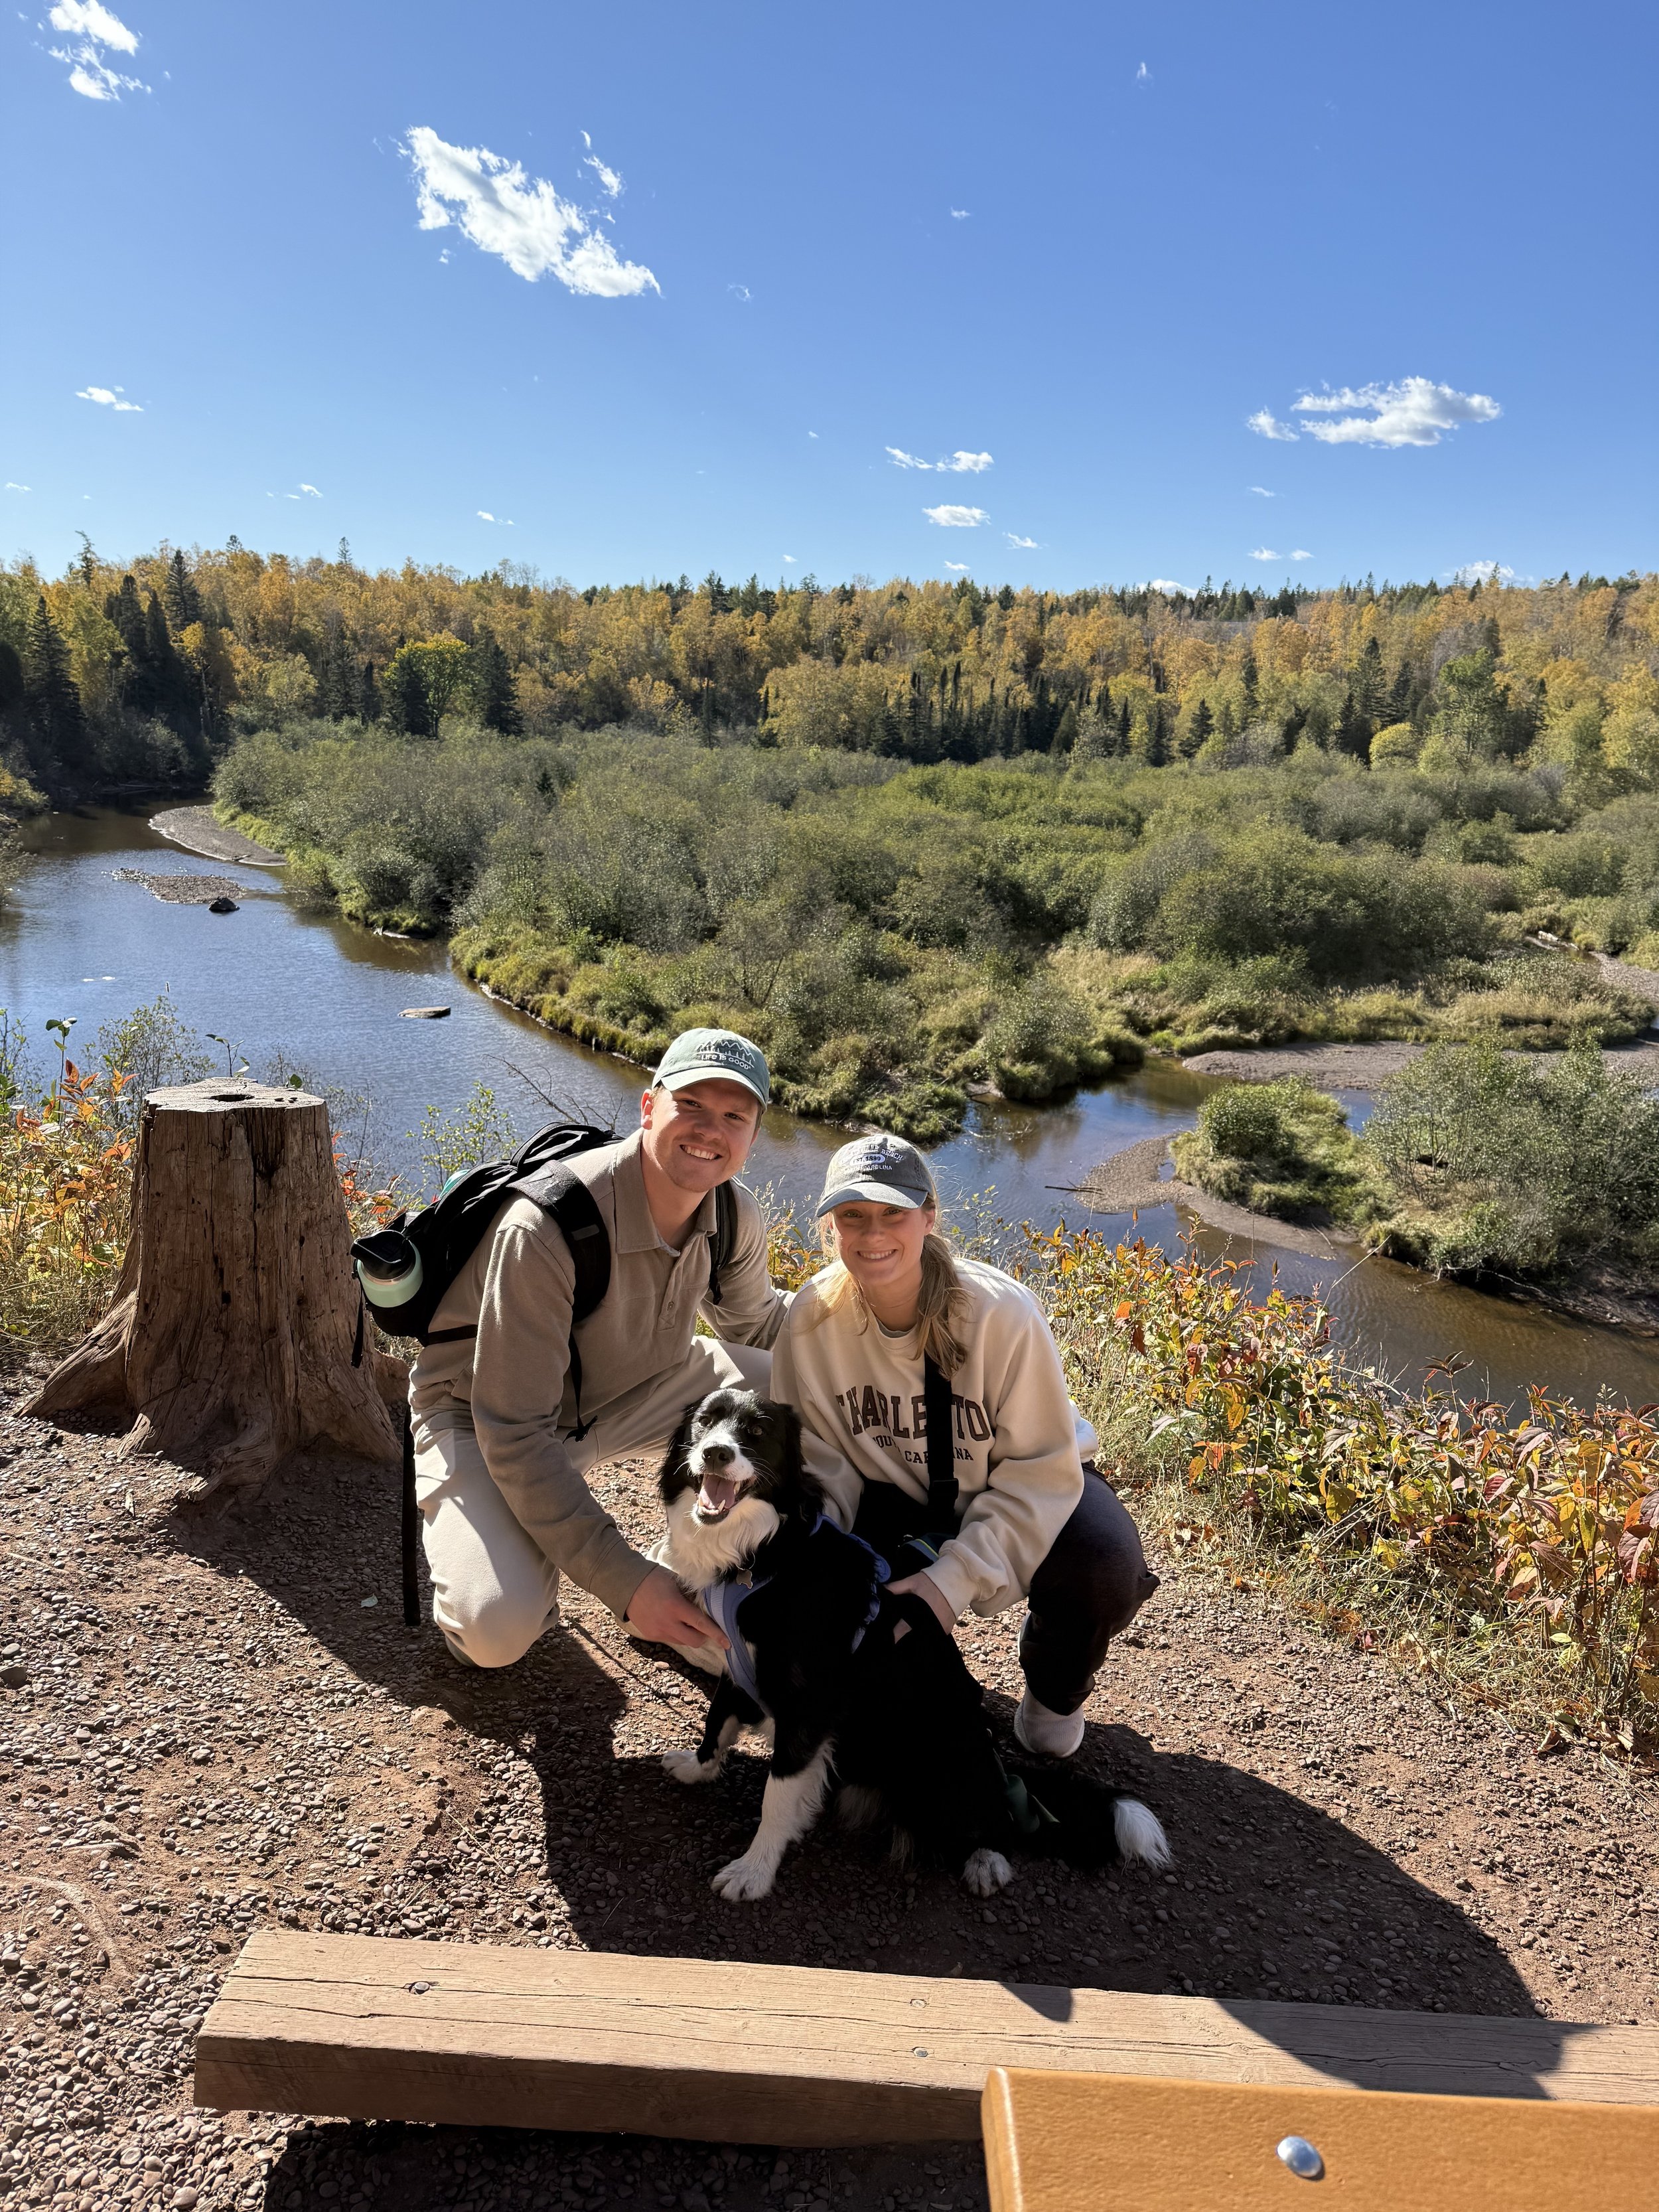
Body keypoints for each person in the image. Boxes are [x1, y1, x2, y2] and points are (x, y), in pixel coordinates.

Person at [771, 1134, 1159, 1757]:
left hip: (1018, 1480)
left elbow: (1038, 1471)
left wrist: (952, 1581)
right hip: (889, 1496)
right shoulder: (811, 1319)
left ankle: (1054, 1687)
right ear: (830, 1226)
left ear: (929, 1216)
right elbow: (817, 1465)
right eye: (853, 1215)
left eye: (894, 1212)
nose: (874, 1233)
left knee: (1103, 1559)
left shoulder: (1003, 1313)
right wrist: (812, 1569)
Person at [408, 1027, 785, 1669]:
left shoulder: (733, 1214)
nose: (709, 1130)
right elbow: (514, 1431)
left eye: (734, 1116)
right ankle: (510, 1547)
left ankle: (695, 1566)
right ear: (649, 1107)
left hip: (637, 1390)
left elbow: (761, 1325)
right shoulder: (548, 1225)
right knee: (495, 1629)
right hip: (482, 1416)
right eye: (691, 1104)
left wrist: (888, 1333)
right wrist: (626, 1581)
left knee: (795, 1388)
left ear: (752, 1136)